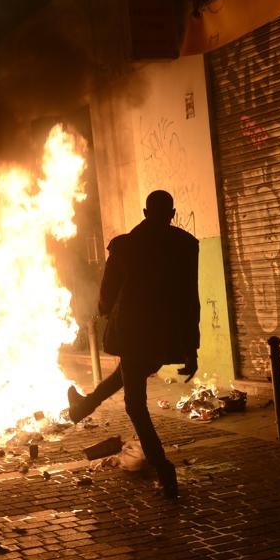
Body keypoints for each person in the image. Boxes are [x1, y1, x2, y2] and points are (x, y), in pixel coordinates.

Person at [66, 190, 199, 500]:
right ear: (173, 213)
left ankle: (163, 469)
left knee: (134, 405)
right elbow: (189, 300)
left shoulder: (125, 246)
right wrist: (190, 348)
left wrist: (103, 312)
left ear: (143, 212)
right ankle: (83, 406)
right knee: (126, 374)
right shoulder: (185, 246)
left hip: (133, 334)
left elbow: (107, 294)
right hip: (164, 337)